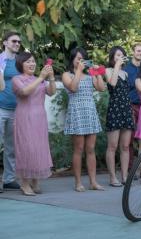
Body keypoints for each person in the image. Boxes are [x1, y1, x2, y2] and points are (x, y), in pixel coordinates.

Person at [62, 47, 106, 192]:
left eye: (82, 59)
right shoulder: (67, 75)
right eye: (77, 58)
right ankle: (78, 182)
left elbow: (101, 88)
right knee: (79, 149)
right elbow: (73, 88)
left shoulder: (89, 75)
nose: (80, 61)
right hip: (77, 113)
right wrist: (79, 71)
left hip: (90, 112)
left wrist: (98, 73)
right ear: (72, 59)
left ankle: (93, 182)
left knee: (91, 149)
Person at [12, 52, 56, 195]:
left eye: (33, 61)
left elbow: (51, 92)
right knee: (26, 148)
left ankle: (35, 181)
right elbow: (25, 92)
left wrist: (51, 77)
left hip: (39, 118)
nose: (32, 64)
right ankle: (24, 184)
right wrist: (42, 78)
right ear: (21, 64)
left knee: (39, 147)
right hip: (24, 117)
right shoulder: (16, 79)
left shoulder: (40, 79)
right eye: (28, 62)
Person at [104, 46, 135, 186]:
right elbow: (113, 83)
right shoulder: (108, 70)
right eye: (117, 55)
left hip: (126, 109)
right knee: (112, 146)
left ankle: (124, 176)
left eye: (122, 55)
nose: (120, 57)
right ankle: (112, 177)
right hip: (115, 109)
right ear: (112, 58)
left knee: (125, 146)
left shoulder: (126, 73)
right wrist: (116, 66)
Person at [0, 31, 22, 191]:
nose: (17, 44)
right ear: (5, 43)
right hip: (0, 108)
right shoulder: (0, 60)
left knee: (11, 146)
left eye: (19, 42)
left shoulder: (21, 62)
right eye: (14, 41)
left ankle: (8, 179)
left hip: (16, 109)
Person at [123, 43, 141, 168]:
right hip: (131, 105)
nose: (140, 53)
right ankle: (130, 168)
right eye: (138, 51)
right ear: (133, 52)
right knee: (129, 139)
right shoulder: (126, 69)